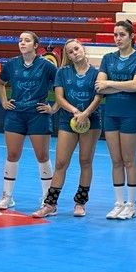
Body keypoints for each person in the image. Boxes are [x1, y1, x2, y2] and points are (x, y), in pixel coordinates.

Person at [37, 38, 101, 218]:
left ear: (83, 49)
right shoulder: (62, 73)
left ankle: (80, 202)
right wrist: (75, 111)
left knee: (85, 161)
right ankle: (50, 204)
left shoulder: (97, 73)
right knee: (61, 163)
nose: (75, 53)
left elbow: (98, 97)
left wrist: (85, 114)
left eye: (77, 49)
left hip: (91, 121)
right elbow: (60, 97)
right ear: (68, 56)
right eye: (70, 52)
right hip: (68, 121)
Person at [95, 19, 136, 220]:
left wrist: (110, 84)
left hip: (131, 114)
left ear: (131, 36)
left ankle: (132, 204)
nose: (118, 38)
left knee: (129, 160)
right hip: (111, 114)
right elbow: (99, 86)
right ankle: (118, 203)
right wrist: (121, 86)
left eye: (122, 35)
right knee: (116, 160)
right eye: (115, 35)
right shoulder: (108, 58)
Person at [0, 32, 57, 211]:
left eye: (27, 40)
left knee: (42, 156)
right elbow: (0, 83)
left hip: (38, 114)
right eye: (20, 40)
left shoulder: (47, 66)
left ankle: (48, 199)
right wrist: (4, 101)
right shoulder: (12, 64)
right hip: (16, 114)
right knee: (12, 155)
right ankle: (7, 196)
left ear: (36, 45)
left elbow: (62, 87)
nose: (22, 43)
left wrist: (54, 108)